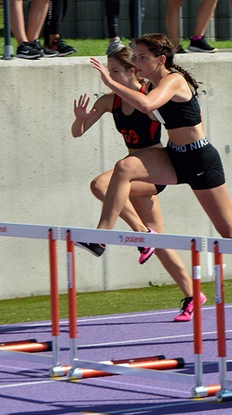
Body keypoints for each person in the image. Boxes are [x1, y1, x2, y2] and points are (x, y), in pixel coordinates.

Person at [86, 33, 232, 326]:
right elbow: (138, 101)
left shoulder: (171, 80)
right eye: (136, 56)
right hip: (173, 157)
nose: (138, 61)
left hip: (199, 159)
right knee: (122, 169)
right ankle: (102, 238)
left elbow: (148, 105)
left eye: (143, 57)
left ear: (161, 59)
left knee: (229, 231)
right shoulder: (152, 82)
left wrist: (112, 84)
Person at [71, 47, 203, 322]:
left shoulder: (149, 96)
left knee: (100, 185)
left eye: (116, 71)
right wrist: (80, 120)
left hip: (153, 170)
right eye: (109, 71)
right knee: (161, 242)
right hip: (130, 174)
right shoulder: (110, 101)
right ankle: (192, 293)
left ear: (133, 71)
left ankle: (129, 235)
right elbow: (77, 133)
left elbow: (175, 117)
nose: (110, 76)